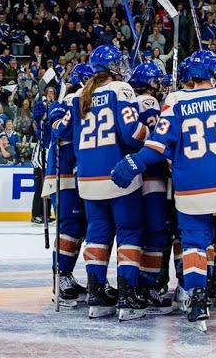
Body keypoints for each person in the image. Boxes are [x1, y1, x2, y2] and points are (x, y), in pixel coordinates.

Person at [110, 49, 216, 333]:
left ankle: (198, 301)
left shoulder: (174, 101)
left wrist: (134, 161)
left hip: (191, 191)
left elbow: (158, 145)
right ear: (213, 75)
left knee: (194, 245)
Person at [54, 45, 150, 320]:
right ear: (114, 67)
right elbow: (132, 134)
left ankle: (96, 293)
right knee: (129, 232)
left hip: (86, 177)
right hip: (118, 173)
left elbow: (63, 132)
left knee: (97, 233)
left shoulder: (78, 97)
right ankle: (128, 295)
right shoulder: (121, 89)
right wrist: (152, 133)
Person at [127, 61, 176, 313]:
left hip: (135, 176)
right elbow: (159, 137)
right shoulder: (148, 102)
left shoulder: (127, 101)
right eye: (156, 81)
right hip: (152, 174)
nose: (159, 85)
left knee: (139, 233)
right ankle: (148, 287)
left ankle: (136, 285)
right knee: (157, 232)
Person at [43, 64, 93, 308]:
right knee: (69, 227)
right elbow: (58, 130)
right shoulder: (65, 103)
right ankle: (59, 277)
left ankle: (67, 274)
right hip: (63, 175)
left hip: (78, 174)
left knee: (79, 227)